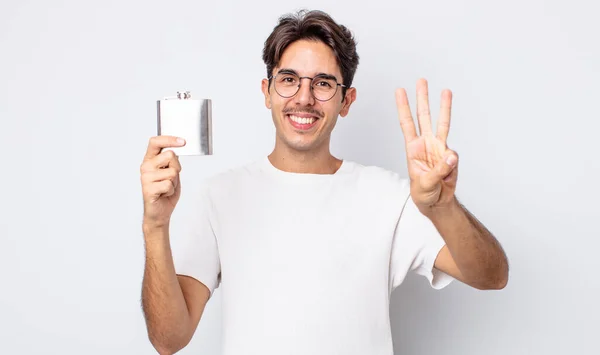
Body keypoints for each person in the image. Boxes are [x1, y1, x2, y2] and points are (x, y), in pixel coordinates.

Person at [140, 9, 509, 355]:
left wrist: (442, 207)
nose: (304, 98)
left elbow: (491, 276)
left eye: (323, 83)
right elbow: (169, 339)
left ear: (346, 101)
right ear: (267, 92)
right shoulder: (218, 196)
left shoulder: (388, 197)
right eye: (288, 80)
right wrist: (155, 225)